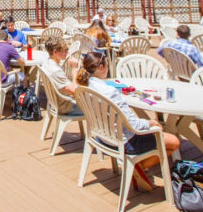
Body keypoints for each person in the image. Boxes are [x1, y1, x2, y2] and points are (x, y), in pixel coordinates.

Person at [76, 52, 180, 191]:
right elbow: (134, 125)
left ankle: (137, 166)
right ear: (101, 67)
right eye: (107, 64)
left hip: (102, 136)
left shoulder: (84, 85)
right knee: (174, 141)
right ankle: (138, 167)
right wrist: (151, 123)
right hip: (124, 141)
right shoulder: (109, 91)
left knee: (158, 133)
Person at [40, 37, 82, 115]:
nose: (67, 52)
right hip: (65, 107)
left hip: (55, 103)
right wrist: (74, 68)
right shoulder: (55, 71)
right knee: (96, 109)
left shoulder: (46, 63)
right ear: (55, 52)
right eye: (65, 50)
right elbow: (74, 91)